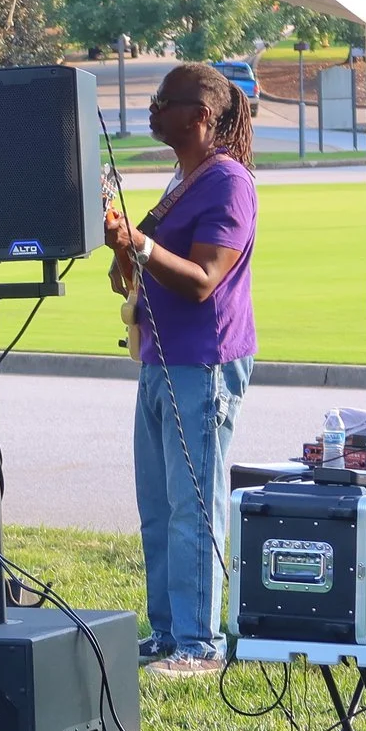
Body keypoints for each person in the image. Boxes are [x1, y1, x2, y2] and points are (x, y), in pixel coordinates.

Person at [104, 61, 257, 676]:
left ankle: (199, 644)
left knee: (194, 507)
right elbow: (139, 265)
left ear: (200, 116)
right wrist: (122, 243)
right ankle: (168, 633)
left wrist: (138, 245)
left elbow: (201, 281)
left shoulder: (228, 183)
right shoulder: (183, 179)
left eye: (165, 101)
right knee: (158, 504)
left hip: (204, 363)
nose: (152, 110)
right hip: (159, 360)